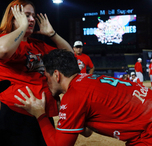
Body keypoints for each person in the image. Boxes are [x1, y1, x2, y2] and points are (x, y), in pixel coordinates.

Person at [15, 49, 152, 146]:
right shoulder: (87, 79)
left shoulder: (74, 95)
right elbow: (87, 132)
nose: (46, 81)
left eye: (47, 76)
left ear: (56, 75)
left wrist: (40, 115)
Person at [0, 0, 73, 146]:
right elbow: (2, 51)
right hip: (15, 114)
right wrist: (22, 27)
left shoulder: (37, 44)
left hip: (41, 113)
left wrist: (52, 34)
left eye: (32, 16)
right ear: (13, 17)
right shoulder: (0, 40)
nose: (32, 19)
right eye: (27, 15)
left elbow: (70, 55)